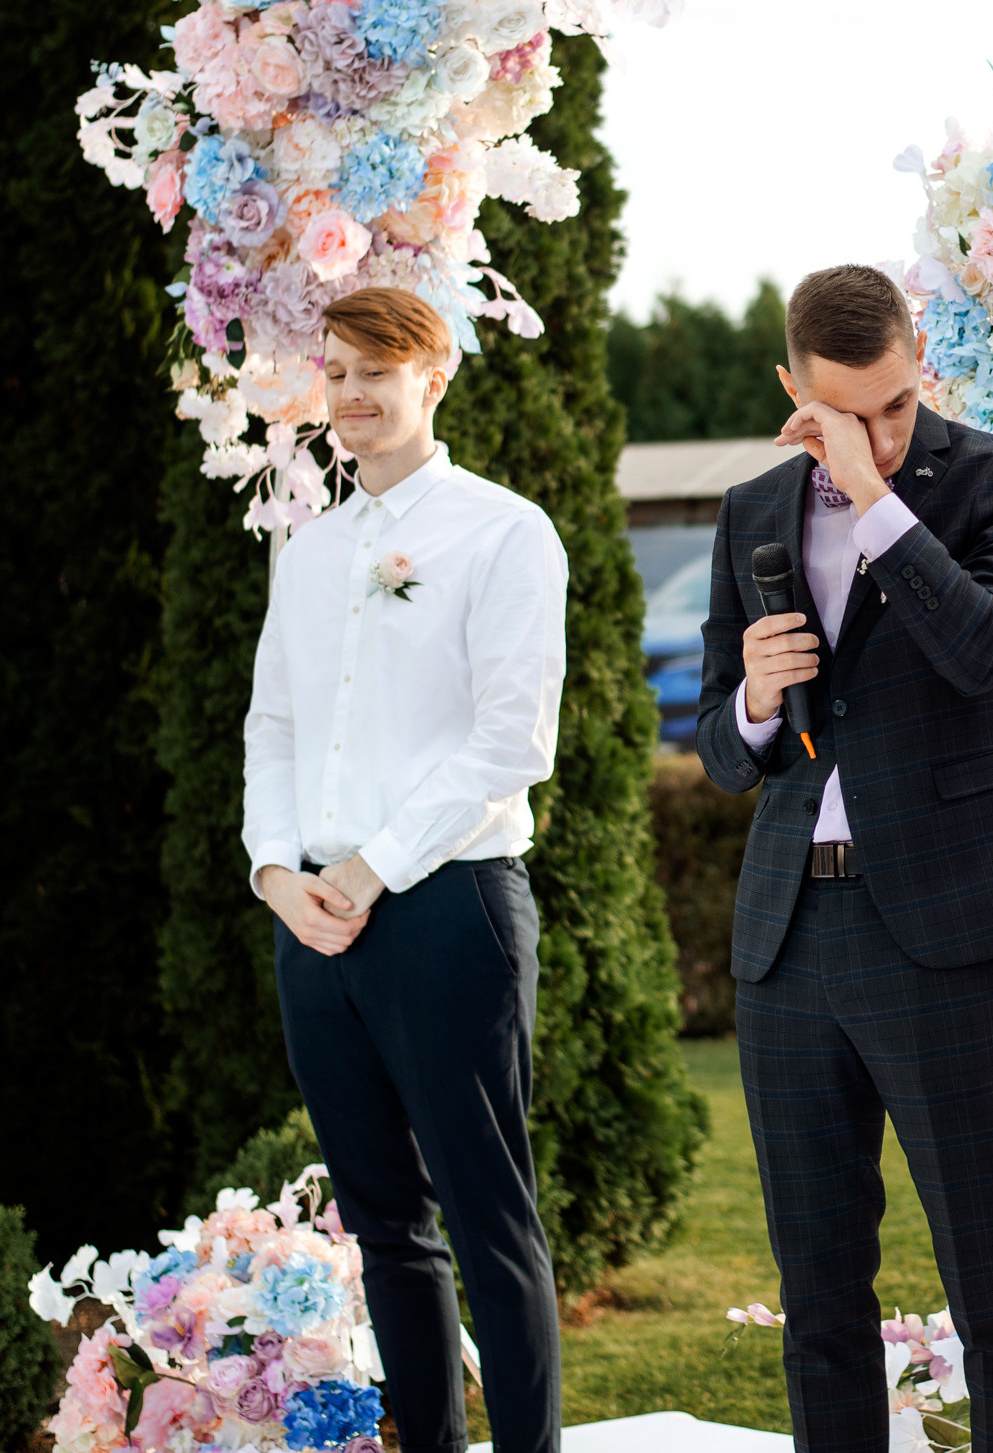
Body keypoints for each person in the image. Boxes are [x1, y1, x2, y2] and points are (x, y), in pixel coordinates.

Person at [695, 264, 993, 1452]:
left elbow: (984, 650)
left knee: (990, 1271)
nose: (875, 431)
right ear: (790, 385)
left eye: (896, 405)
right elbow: (719, 747)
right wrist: (755, 700)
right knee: (816, 1291)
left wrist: (872, 496)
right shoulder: (750, 508)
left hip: (943, 928)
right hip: (787, 939)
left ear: (922, 359)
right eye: (844, 412)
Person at [241, 286, 568, 1453]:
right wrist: (276, 872)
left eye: (376, 368)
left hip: (447, 910)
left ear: (436, 376)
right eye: (335, 371)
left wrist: (372, 869)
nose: (351, 393)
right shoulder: (310, 548)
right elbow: (272, 726)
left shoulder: (504, 531)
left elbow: (511, 740)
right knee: (383, 1222)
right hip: (313, 922)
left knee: (490, 1221)